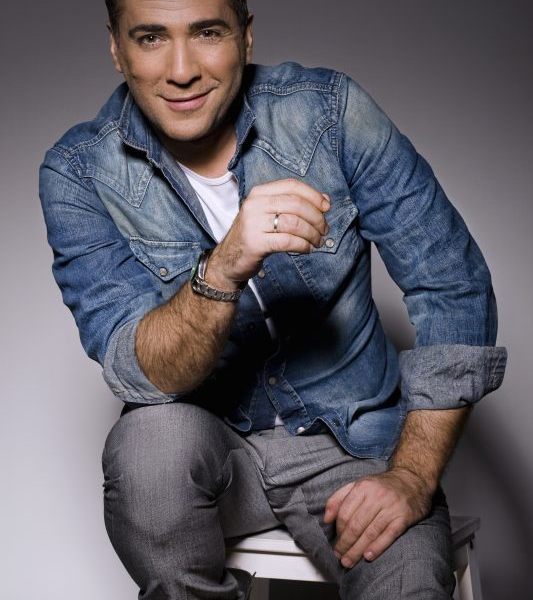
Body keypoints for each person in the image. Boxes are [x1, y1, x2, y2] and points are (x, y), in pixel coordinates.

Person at [39, 0, 507, 598]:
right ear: (116, 47)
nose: (181, 70)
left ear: (246, 35)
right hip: (215, 457)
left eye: (207, 32)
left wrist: (412, 476)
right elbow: (139, 371)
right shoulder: (80, 172)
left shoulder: (328, 112)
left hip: (357, 450)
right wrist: (224, 267)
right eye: (151, 38)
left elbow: (453, 284)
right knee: (147, 446)